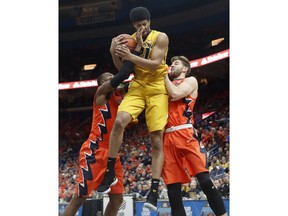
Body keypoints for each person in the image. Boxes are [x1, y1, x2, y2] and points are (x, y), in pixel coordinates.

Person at [96, 6, 169, 211]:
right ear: (133, 25)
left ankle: (153, 191)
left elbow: (155, 64)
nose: (142, 27)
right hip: (137, 85)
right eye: (138, 25)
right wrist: (115, 52)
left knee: (156, 139)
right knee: (119, 121)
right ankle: (109, 171)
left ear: (149, 22)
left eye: (144, 24)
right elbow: (123, 70)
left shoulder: (160, 37)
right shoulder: (129, 39)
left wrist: (130, 55)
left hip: (157, 87)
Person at [162, 56, 227, 216]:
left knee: (204, 180)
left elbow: (176, 94)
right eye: (171, 64)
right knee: (173, 189)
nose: (171, 66)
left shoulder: (191, 80)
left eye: (176, 63)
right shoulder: (164, 85)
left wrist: (162, 73)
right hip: (167, 136)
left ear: (184, 68)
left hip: (185, 132)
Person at [62, 72, 126, 216]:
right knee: (79, 197)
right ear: (102, 84)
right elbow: (118, 79)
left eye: (112, 76)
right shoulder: (101, 95)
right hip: (95, 150)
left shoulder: (120, 98)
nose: (112, 78)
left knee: (117, 199)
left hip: (112, 153)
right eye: (107, 78)